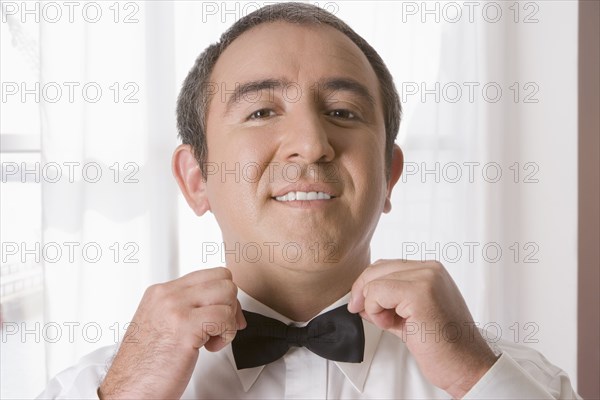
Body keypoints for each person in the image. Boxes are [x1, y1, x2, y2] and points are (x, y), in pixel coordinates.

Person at [38, 3, 580, 399]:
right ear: (196, 178)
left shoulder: (513, 380)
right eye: (261, 111)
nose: (312, 144)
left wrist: (477, 379)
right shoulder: (101, 386)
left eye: (343, 111)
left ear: (389, 176)